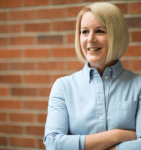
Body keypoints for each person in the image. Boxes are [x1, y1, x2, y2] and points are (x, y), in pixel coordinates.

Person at [43, 2, 141, 150]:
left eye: (100, 31)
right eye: (84, 32)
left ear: (117, 34)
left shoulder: (138, 85)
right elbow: (53, 143)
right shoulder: (63, 87)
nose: (90, 39)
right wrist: (117, 135)